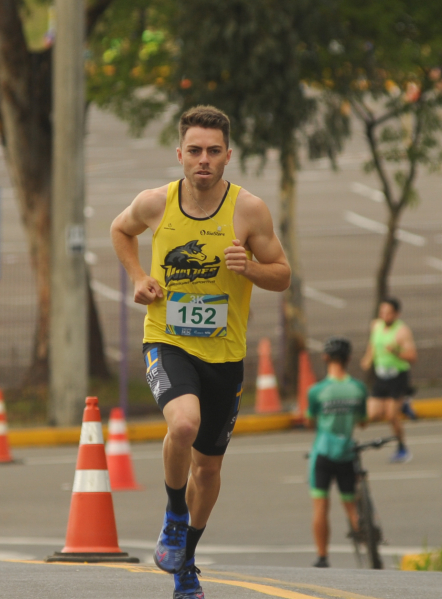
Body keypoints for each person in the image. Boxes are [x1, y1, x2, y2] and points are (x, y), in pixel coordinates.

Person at [110, 105, 291, 599]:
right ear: (180, 154)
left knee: (208, 467)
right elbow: (120, 230)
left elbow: (283, 273)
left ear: (228, 156)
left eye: (213, 151)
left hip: (224, 355)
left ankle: (186, 559)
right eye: (195, 151)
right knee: (182, 425)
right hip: (167, 341)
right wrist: (138, 279)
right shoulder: (155, 203)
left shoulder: (248, 210)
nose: (203, 160)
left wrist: (250, 267)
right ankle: (173, 511)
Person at [306, 337, 368, 568]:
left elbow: (310, 422)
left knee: (321, 506)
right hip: (347, 454)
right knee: (351, 504)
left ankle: (322, 557)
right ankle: (368, 546)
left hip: (323, 452)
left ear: (325, 358)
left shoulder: (317, 391)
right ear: (349, 359)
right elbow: (363, 422)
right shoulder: (358, 388)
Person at [360, 297, 417, 463]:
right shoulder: (376, 325)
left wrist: (396, 352)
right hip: (381, 376)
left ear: (396, 314)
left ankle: (402, 448)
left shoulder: (402, 332)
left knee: (392, 415)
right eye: (382, 312)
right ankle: (404, 404)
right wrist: (368, 358)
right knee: (372, 413)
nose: (384, 315)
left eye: (388, 312)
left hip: (398, 377)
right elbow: (373, 343)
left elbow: (412, 357)